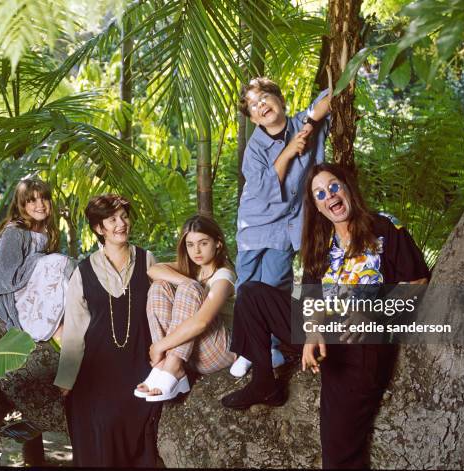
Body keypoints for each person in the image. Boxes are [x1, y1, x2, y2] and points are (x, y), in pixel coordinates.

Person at [222, 162, 429, 469]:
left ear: (347, 188)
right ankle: (264, 383)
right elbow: (312, 302)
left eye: (333, 186)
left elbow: (417, 284)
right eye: (320, 193)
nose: (329, 195)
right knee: (252, 293)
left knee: (338, 453)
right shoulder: (320, 245)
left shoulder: (384, 227)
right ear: (317, 206)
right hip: (325, 330)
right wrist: (312, 332)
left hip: (361, 341)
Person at [230, 77, 332, 377]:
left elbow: (328, 99)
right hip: (255, 224)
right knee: (247, 284)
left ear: (280, 100)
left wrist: (311, 120)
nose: (261, 105)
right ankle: (247, 350)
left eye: (264, 97)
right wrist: (288, 152)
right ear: (251, 118)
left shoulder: (302, 122)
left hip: (286, 225)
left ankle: (271, 346)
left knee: (275, 283)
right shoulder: (255, 149)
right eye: (253, 105)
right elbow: (263, 188)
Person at [54, 194, 161, 467]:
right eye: (112, 219)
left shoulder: (148, 261)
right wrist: (66, 379)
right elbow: (75, 329)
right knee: (98, 431)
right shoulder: (83, 271)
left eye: (124, 216)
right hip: (96, 371)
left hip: (139, 366)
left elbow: (163, 310)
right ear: (99, 228)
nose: (121, 224)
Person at [135, 215, 237, 402]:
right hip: (191, 353)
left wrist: (159, 346)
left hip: (221, 350)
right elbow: (153, 270)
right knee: (160, 286)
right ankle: (167, 364)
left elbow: (201, 323)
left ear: (218, 244)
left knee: (189, 288)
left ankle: (170, 364)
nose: (196, 250)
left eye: (203, 243)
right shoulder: (194, 269)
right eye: (190, 245)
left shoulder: (224, 276)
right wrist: (188, 281)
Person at [0, 178, 75, 343]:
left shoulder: (48, 231)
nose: (40, 204)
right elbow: (6, 278)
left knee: (68, 266)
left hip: (40, 289)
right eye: (32, 200)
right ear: (22, 205)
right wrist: (40, 261)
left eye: (44, 198)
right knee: (57, 261)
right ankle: (40, 323)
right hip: (16, 294)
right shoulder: (14, 232)